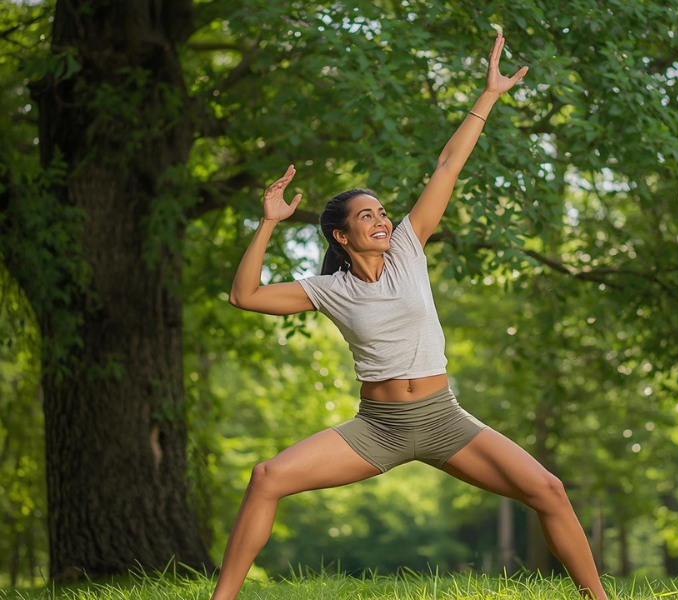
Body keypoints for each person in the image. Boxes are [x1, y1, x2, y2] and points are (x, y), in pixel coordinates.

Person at [213, 32, 608, 600]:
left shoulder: (408, 248)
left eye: (382, 211)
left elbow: (448, 165)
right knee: (266, 478)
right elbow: (244, 296)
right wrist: (270, 222)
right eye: (366, 215)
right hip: (378, 428)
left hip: (444, 418)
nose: (381, 220)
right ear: (340, 235)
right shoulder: (328, 289)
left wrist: (488, 95)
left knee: (548, 488)